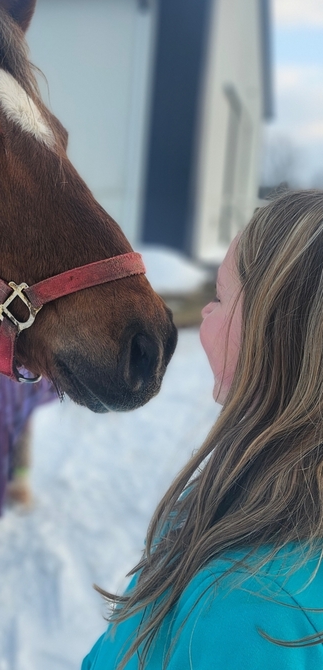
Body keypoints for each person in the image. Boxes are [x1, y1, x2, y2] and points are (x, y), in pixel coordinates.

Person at [83, 190, 323, 669]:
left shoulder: (250, 609)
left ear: (275, 335)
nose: (205, 313)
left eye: (220, 297)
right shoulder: (250, 511)